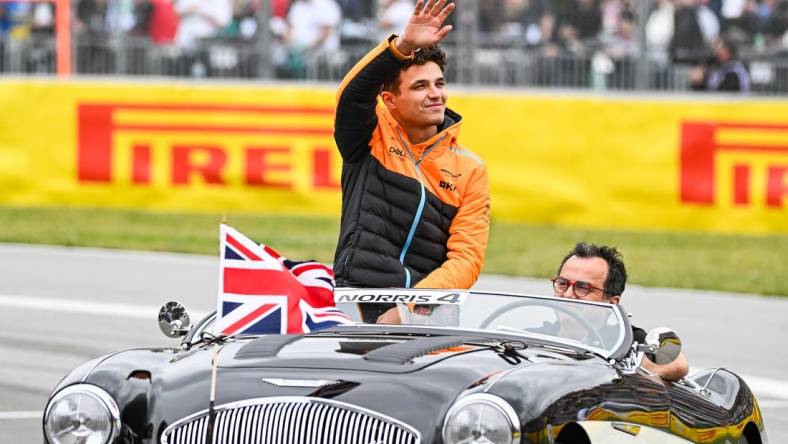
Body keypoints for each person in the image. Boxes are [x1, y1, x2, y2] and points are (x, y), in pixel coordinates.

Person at [332, 0, 491, 324]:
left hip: (425, 316)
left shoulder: (471, 168)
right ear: (390, 101)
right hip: (353, 307)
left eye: (439, 83)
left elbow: (466, 259)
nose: (436, 94)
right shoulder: (371, 136)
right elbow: (352, 95)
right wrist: (402, 46)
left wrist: (409, 310)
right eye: (420, 86)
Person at [552, 242, 689, 382]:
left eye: (583, 287)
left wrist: (619, 368)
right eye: (562, 283)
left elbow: (678, 365)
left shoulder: (624, 342)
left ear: (612, 302)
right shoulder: (533, 336)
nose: (568, 294)